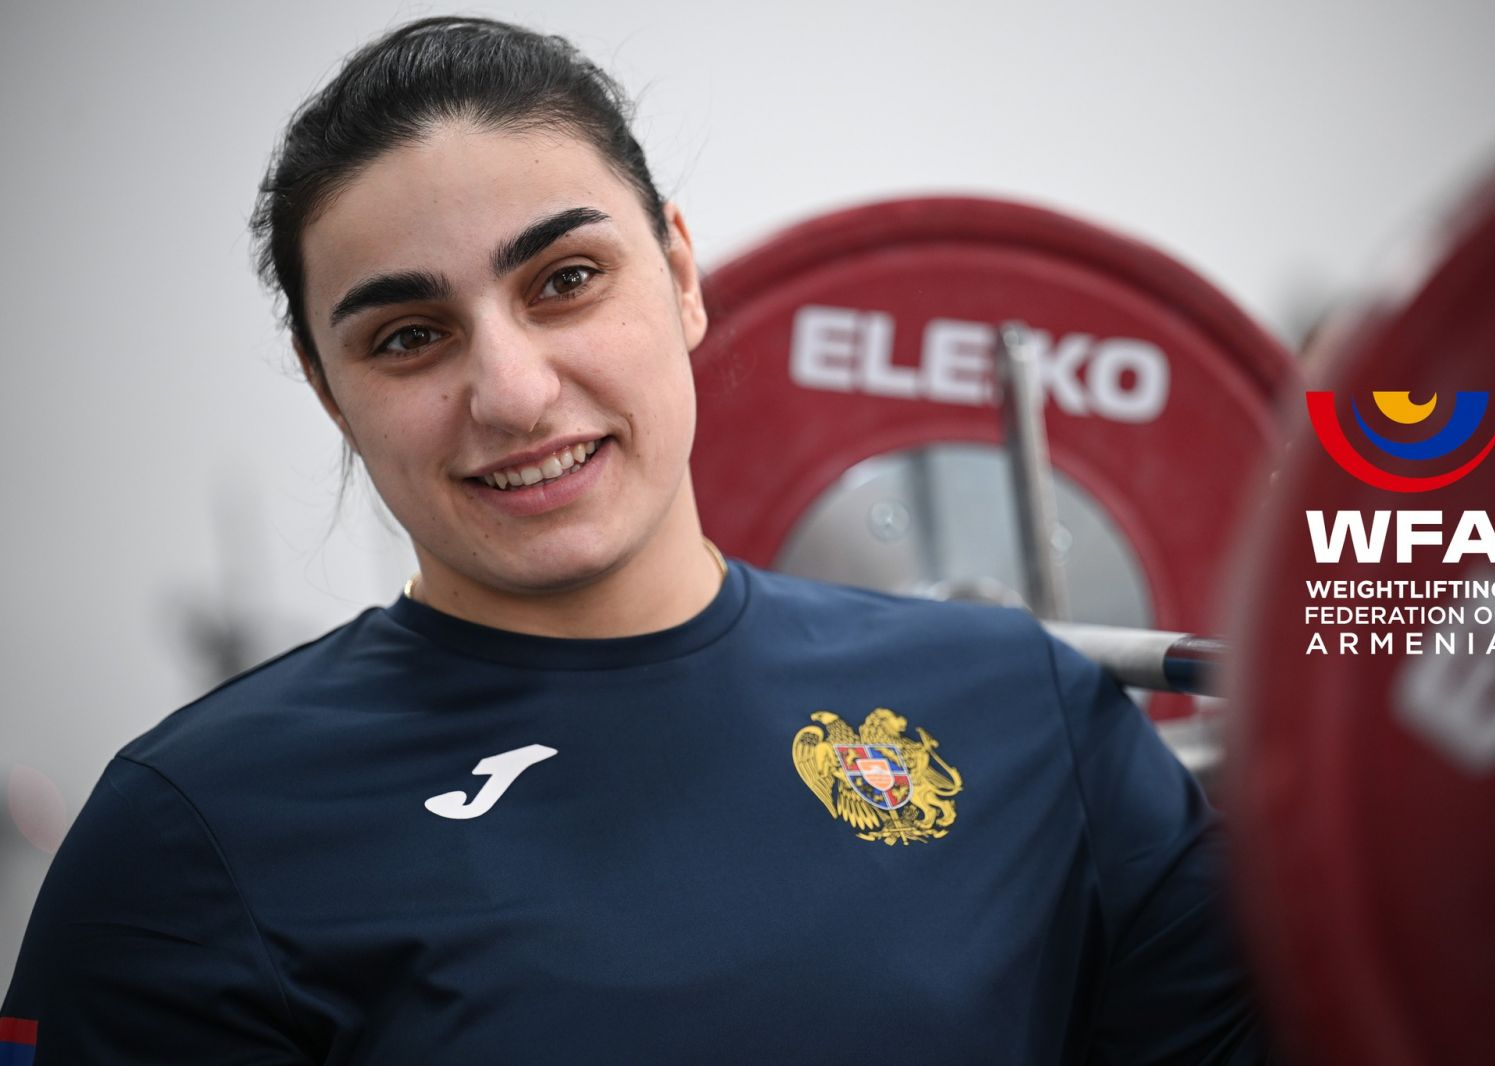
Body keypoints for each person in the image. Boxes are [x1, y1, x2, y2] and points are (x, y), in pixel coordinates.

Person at [2, 16, 1264, 1064]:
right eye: (409, 337)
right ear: (330, 390)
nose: (512, 393)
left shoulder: (1026, 713)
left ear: (680, 273)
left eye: (565, 280)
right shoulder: (193, 838)